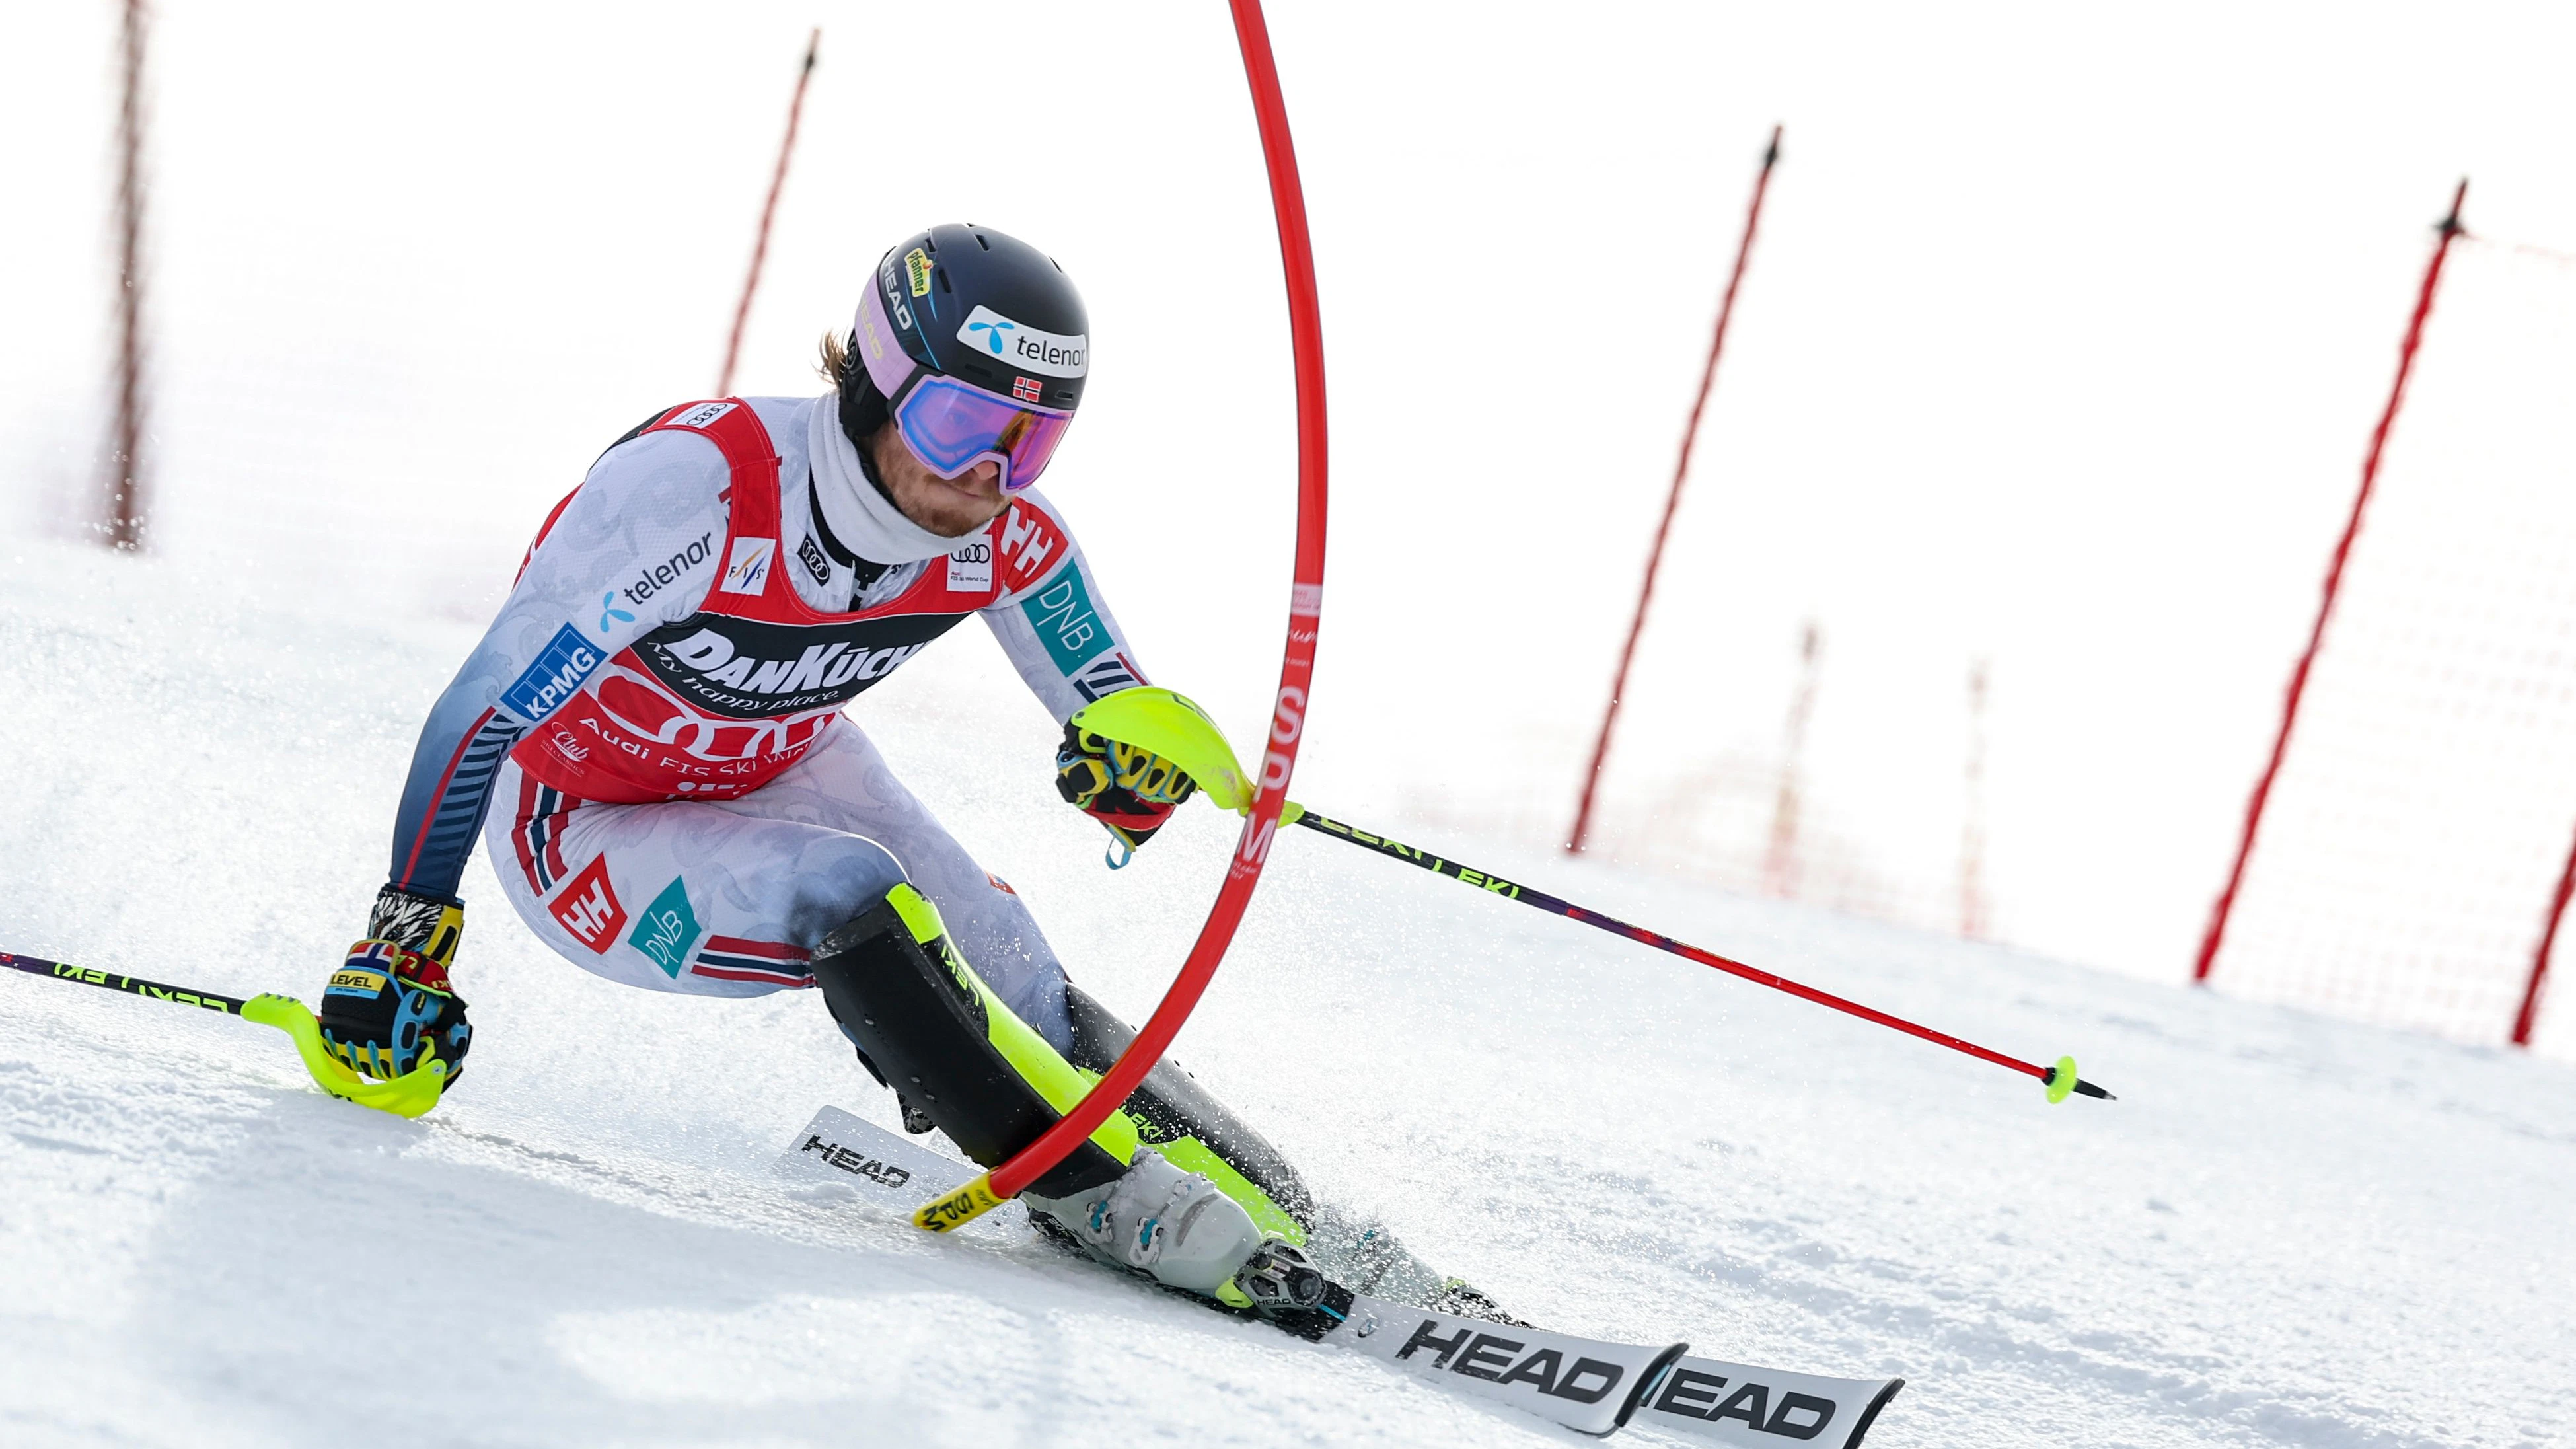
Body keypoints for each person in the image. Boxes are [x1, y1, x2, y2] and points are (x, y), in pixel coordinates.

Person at [311, 222, 1502, 1321]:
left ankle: (1311, 1225)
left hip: (780, 767)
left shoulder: (1008, 538)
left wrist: (1135, 775)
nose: (986, 474)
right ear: (876, 386)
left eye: (1029, 442)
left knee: (1012, 961)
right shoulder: (702, 490)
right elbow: (480, 710)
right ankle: (1108, 1199)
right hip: (584, 826)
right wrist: (404, 934)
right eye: (956, 429)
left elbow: (1122, 725)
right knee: (855, 886)